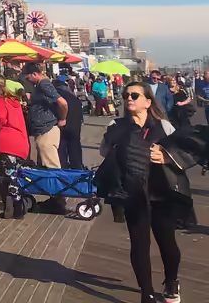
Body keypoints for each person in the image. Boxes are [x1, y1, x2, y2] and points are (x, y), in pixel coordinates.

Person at [97, 81, 196, 303]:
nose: (129, 98)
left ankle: (171, 281)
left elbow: (182, 151)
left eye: (134, 95)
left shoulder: (163, 126)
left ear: (147, 101)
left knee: (167, 243)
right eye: (126, 95)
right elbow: (104, 152)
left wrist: (166, 157)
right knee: (139, 244)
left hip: (162, 193)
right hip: (132, 193)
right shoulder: (116, 125)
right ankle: (147, 293)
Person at [0, 75, 29, 219]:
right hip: (19, 143)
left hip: (5, 143)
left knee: (3, 179)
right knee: (13, 177)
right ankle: (18, 208)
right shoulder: (15, 102)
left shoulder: (0, 101)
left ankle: (10, 209)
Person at [22, 63, 66, 171]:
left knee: (51, 165)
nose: (28, 81)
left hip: (47, 128)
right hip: (42, 128)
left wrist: (62, 119)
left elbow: (63, 103)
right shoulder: (41, 85)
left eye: (28, 78)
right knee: (46, 164)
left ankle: (55, 186)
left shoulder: (44, 84)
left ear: (34, 74)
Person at [55, 78, 85, 170]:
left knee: (61, 145)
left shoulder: (57, 95)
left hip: (63, 122)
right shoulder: (73, 96)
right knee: (75, 145)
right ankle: (77, 166)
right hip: (75, 124)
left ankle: (63, 166)